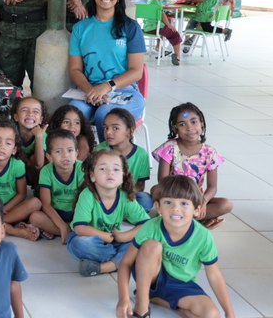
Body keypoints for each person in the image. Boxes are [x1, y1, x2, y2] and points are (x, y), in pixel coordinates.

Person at [116, 175, 236, 318]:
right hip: (152, 277)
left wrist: (229, 313)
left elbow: (215, 275)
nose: (175, 209)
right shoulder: (151, 227)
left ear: (197, 210)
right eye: (168, 202)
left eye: (184, 203)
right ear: (158, 207)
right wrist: (123, 299)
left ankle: (162, 300)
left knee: (212, 314)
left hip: (182, 285)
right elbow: (126, 263)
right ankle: (142, 306)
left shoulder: (203, 236)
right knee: (151, 246)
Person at [68, 0, 146, 141]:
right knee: (71, 116)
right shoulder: (80, 28)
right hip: (88, 92)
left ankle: (111, 162)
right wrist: (91, 90)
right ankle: (81, 161)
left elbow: (136, 71)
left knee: (106, 115)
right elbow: (74, 69)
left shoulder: (130, 27)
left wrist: (107, 86)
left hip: (123, 92)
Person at [68, 149, 149, 277]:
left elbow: (147, 224)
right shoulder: (87, 195)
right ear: (92, 176)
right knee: (79, 244)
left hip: (115, 240)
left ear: (123, 175)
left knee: (144, 242)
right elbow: (79, 228)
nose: (110, 172)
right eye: (102, 169)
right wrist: (105, 236)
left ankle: (103, 267)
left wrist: (125, 236)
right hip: (91, 239)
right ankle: (121, 261)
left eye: (116, 169)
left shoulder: (125, 197)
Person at [152, 102, 232, 229]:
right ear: (174, 128)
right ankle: (195, 220)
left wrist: (203, 201)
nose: (189, 128)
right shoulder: (169, 148)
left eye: (194, 122)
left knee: (226, 204)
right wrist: (176, 198)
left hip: (195, 198)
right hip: (172, 196)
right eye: (182, 124)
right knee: (155, 190)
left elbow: (212, 187)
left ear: (202, 123)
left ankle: (184, 219)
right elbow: (162, 181)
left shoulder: (210, 152)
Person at [29, 129, 85, 243]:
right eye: (58, 151)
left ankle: (64, 230)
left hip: (77, 213)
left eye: (70, 150)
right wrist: (61, 225)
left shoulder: (82, 169)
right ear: (49, 157)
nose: (65, 155)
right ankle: (67, 230)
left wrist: (78, 220)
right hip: (56, 214)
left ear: (76, 154)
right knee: (34, 217)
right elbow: (46, 204)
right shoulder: (46, 171)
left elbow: (86, 201)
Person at [93, 108, 153, 212]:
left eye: (115, 128)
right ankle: (121, 213)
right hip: (104, 194)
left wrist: (124, 196)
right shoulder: (99, 150)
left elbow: (140, 185)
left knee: (145, 200)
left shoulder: (141, 154)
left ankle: (116, 212)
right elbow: (94, 180)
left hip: (128, 195)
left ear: (129, 131)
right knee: (89, 197)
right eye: (106, 128)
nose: (108, 132)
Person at [12, 96, 49, 188]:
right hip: (15, 171)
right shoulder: (11, 132)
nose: (30, 114)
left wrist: (39, 137)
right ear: (16, 117)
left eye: (35, 111)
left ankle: (37, 188)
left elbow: (39, 163)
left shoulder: (42, 135)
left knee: (36, 158)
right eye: (24, 110)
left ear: (40, 119)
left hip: (34, 173)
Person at [143, 0, 182, 65]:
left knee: (168, 33)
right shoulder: (157, 3)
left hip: (147, 28)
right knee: (175, 34)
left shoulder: (149, 1)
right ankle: (177, 56)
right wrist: (169, 25)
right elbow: (162, 15)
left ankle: (162, 48)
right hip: (156, 28)